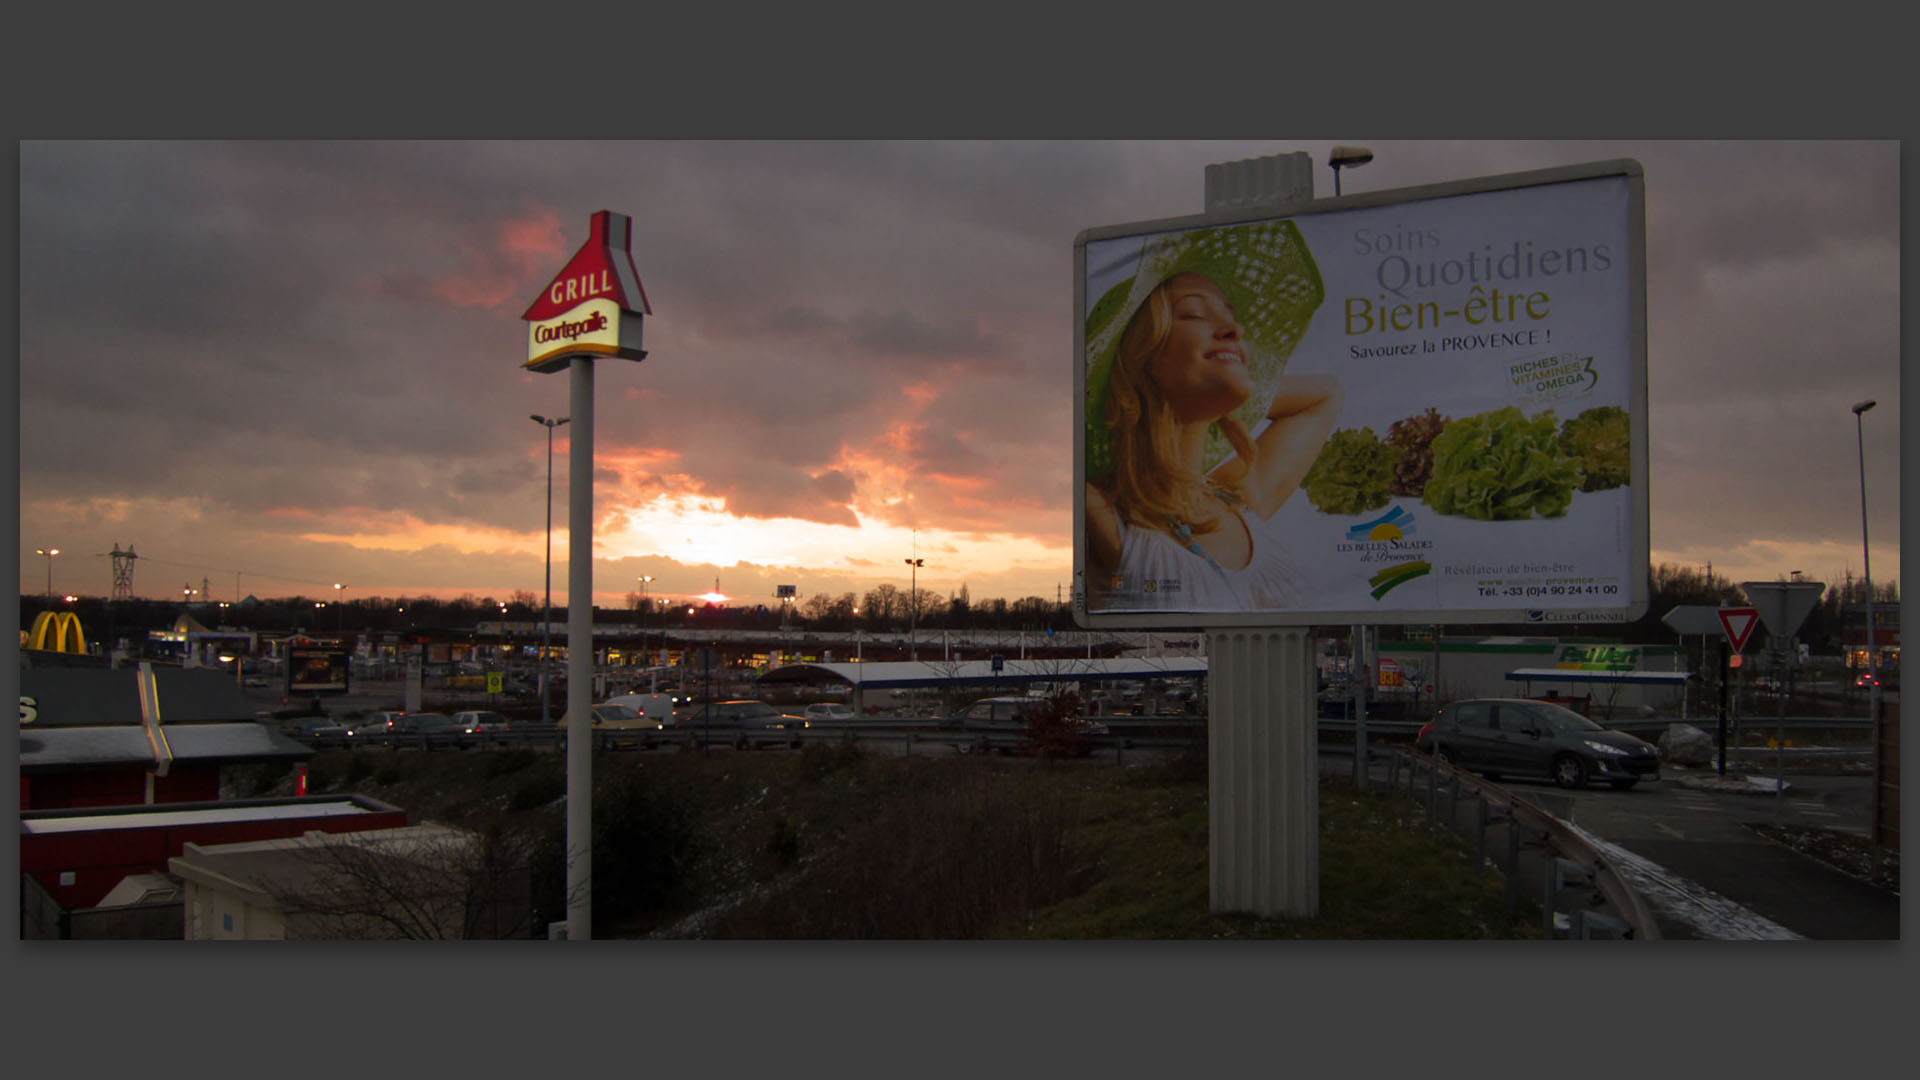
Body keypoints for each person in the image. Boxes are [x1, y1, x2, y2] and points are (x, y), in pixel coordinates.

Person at [1084, 220, 1342, 612]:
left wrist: (1229, 384)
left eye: (1230, 315)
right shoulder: (1100, 510)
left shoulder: (1237, 495)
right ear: (1142, 358)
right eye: (1192, 313)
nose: (1234, 329)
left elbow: (1328, 393)